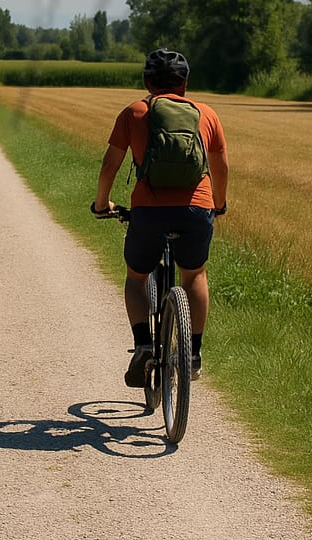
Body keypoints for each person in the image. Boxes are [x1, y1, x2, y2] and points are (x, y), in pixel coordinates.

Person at [92, 49, 228, 384]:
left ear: (147, 81)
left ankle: (142, 345)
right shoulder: (206, 114)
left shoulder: (134, 112)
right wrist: (218, 204)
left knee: (136, 276)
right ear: (184, 83)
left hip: (149, 212)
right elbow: (221, 165)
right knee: (194, 274)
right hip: (197, 208)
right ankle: (192, 354)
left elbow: (110, 164)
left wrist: (101, 204)